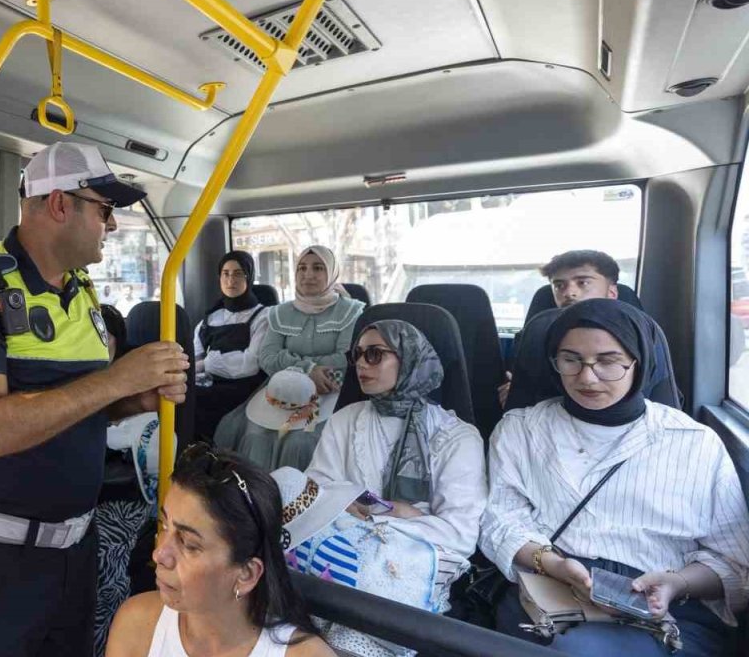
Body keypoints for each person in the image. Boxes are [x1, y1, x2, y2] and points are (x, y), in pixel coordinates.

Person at [0, 141, 189, 656]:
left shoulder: (83, 292)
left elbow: (82, 406)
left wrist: (136, 400)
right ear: (61, 204)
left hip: (72, 552)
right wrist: (116, 381)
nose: (110, 225)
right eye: (104, 209)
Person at [482, 299, 749, 656]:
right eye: (571, 360)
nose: (587, 377)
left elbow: (733, 561)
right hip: (547, 585)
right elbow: (500, 518)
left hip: (668, 606)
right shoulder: (521, 429)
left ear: (639, 363)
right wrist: (555, 565)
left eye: (607, 361)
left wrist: (675, 584)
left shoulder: (694, 442)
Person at [307, 321, 485, 604]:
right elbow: (315, 492)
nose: (361, 365)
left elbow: (459, 534)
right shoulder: (345, 420)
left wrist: (372, 519)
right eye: (357, 354)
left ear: (410, 359)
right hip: (340, 552)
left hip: (419, 564)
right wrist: (407, 514)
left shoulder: (456, 436)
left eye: (375, 354)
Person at [105, 445, 335, 657]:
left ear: (246, 574)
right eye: (165, 526)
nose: (159, 555)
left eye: (189, 544)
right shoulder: (136, 625)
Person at [213, 246, 363, 470]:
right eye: (302, 268)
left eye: (318, 268)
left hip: (330, 388)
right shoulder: (280, 312)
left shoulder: (351, 311)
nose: (308, 274)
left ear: (331, 273)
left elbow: (345, 358)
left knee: (300, 441)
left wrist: (296, 364)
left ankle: (301, 502)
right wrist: (306, 368)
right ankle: (256, 500)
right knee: (255, 435)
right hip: (282, 389)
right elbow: (267, 356)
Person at [96, 303, 164, 657]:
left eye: (102, 337)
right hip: (73, 500)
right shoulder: (63, 385)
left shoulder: (140, 400)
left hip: (126, 506)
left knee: (103, 555)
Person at [499, 250, 622, 407]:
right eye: (559, 285)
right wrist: (517, 391)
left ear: (612, 292)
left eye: (583, 282)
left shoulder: (634, 338)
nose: (569, 293)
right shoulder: (536, 336)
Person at [193, 250, 270, 440]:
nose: (230, 280)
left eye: (238, 273)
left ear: (249, 277)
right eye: (225, 274)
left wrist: (208, 363)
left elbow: (250, 365)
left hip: (245, 389)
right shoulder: (209, 318)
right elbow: (196, 359)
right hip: (208, 384)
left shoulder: (263, 316)